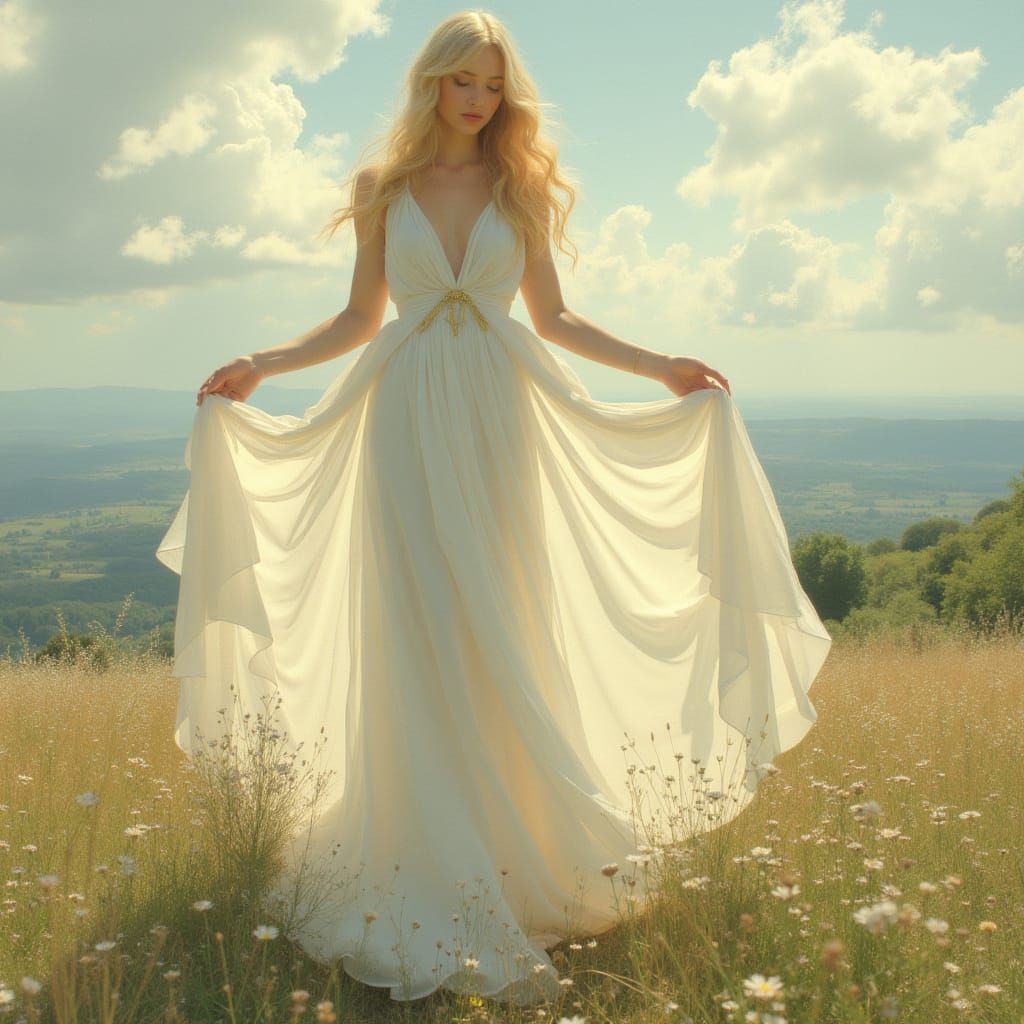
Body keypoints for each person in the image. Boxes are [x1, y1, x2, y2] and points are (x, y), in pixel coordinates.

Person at [156, 9, 831, 1007]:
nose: (476, 99)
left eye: (490, 85)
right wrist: (261, 362)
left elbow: (553, 318)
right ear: (430, 84)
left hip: (503, 421)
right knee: (419, 623)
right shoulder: (379, 189)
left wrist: (662, 367)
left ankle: (518, 850)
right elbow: (358, 318)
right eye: (461, 81)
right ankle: (425, 848)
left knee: (504, 619)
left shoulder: (522, 188)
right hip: (404, 425)